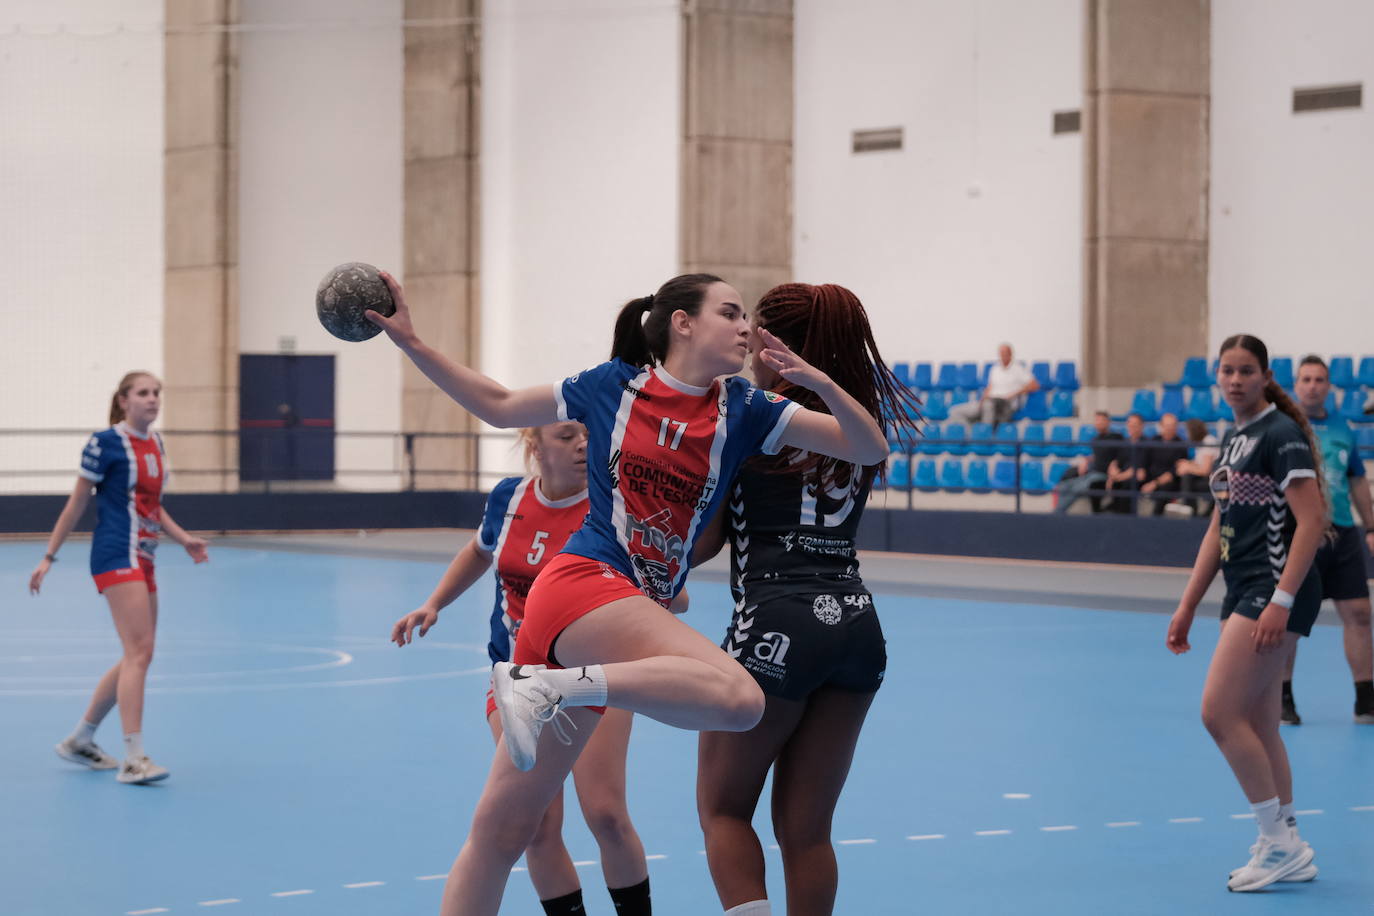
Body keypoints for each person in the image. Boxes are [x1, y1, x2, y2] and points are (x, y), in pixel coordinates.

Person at [366, 272, 889, 916]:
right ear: (683, 323)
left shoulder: (749, 412)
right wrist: (412, 343)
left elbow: (868, 447)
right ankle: (552, 688)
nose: (746, 327)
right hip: (584, 582)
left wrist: (818, 384)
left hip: (598, 617)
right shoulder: (611, 386)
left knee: (501, 834)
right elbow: (499, 405)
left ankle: (551, 686)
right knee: (741, 697)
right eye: (730, 313)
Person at [691, 283, 916, 916]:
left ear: (777, 342)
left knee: (724, 809)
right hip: (855, 625)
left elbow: (709, 538)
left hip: (776, 619)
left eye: (755, 329)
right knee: (807, 830)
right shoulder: (854, 419)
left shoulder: (755, 416)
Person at [390, 421, 655, 915]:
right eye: (566, 436)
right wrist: (434, 603)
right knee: (535, 827)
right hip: (518, 676)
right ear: (534, 445)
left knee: (606, 814)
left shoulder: (608, 508)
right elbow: (479, 550)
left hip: (592, 675)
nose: (583, 445)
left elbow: (666, 591)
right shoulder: (509, 500)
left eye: (588, 435)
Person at [1167, 334, 1327, 892]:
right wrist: (1188, 603)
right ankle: (1286, 838)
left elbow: (1312, 520)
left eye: (1246, 371)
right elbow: (1219, 525)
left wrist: (1282, 600)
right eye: (1226, 371)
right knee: (1260, 724)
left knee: (1218, 713)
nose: (1235, 380)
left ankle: (1281, 845)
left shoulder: (1280, 436)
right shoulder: (1235, 437)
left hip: (1272, 588)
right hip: (1242, 587)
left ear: (1265, 376)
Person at [28, 372, 209, 785]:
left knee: (137, 653)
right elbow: (76, 504)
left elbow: (151, 505)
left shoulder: (156, 444)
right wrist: (48, 557)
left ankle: (81, 739)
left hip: (144, 556)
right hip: (114, 552)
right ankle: (134, 758)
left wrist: (183, 540)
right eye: (143, 393)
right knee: (139, 652)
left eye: (157, 393)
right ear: (123, 401)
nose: (152, 400)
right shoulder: (105, 443)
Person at [1281, 355, 1374, 725]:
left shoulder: (1343, 428)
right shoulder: (1283, 428)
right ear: (1296, 385)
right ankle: (1282, 697)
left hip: (1343, 534)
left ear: (1329, 386)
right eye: (1306, 379)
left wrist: (1370, 527)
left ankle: (1366, 698)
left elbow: (1356, 481)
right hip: (1298, 534)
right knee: (1289, 620)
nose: (1313, 385)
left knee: (1360, 614)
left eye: (1320, 379)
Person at [948, 343, 1038, 426]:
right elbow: (990, 387)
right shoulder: (995, 369)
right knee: (954, 411)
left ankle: (985, 435)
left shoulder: (1018, 369)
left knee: (988, 405)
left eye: (1005, 353)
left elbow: (1034, 385)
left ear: (1011, 354)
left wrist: (1014, 393)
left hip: (1005, 403)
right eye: (1001, 353)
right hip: (989, 400)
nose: (1002, 356)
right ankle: (974, 433)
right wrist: (982, 400)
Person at [1052, 410, 1121, 514]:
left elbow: (1122, 455)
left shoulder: (1116, 438)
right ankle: (1059, 512)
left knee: (1077, 488)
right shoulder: (1096, 439)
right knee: (1063, 486)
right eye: (1097, 420)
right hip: (1092, 473)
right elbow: (1098, 455)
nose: (1099, 423)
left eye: (1101, 420)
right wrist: (1085, 460)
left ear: (1108, 422)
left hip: (1103, 475)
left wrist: (1113, 470)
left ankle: (1057, 514)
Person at [1140, 412, 1190, 516]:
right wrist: (1141, 470)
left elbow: (1172, 473)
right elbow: (1144, 461)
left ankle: (1155, 518)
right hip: (1151, 477)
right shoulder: (1154, 440)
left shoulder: (1181, 444)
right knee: (1130, 483)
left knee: (1165, 488)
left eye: (1173, 426)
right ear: (1161, 426)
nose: (1170, 428)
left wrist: (1154, 483)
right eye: (1167, 426)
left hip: (1169, 482)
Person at [1171, 417, 1220, 517]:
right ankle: (1191, 510)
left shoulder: (1208, 442)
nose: (1187, 434)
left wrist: (1188, 468)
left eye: (1187, 431)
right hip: (1207, 478)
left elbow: (1206, 470)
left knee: (1187, 477)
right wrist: (1187, 463)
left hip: (1214, 480)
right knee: (1186, 476)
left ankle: (1191, 510)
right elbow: (1199, 463)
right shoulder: (1201, 442)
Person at [1104, 413, 1149, 513]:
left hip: (1136, 478)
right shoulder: (1125, 442)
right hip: (1123, 475)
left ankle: (1124, 518)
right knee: (1109, 484)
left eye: (1135, 425)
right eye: (1129, 424)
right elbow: (1117, 461)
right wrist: (1112, 474)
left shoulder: (1146, 443)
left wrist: (1118, 477)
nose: (1131, 427)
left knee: (1127, 485)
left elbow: (1138, 470)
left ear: (1141, 426)